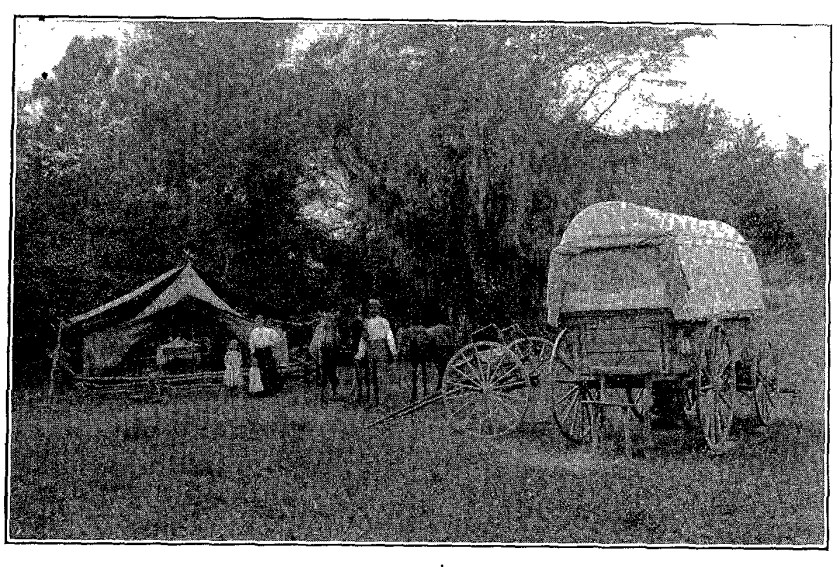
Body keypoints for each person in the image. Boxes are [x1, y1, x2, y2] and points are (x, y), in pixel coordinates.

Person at [355, 299, 396, 407]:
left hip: (381, 351)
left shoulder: (384, 321)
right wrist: (360, 354)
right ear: (368, 309)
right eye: (371, 308)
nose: (373, 310)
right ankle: (373, 401)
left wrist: (393, 351)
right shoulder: (366, 323)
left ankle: (383, 402)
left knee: (381, 376)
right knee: (371, 377)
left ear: (379, 309)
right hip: (370, 351)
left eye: (375, 308)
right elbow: (363, 340)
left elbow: (389, 336)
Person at [309, 312, 340, 401]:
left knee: (332, 373)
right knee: (323, 374)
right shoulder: (319, 328)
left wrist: (334, 345)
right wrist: (318, 355)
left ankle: (334, 391)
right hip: (323, 352)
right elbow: (316, 342)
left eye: (330, 319)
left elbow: (337, 340)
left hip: (331, 353)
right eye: (327, 319)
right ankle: (322, 394)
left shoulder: (334, 328)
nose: (328, 321)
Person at [249, 315, 282, 394]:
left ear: (263, 321)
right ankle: (261, 389)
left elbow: (278, 340)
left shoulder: (269, 331)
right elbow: (251, 344)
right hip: (258, 352)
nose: (259, 322)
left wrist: (270, 343)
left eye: (260, 320)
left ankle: (271, 388)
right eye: (257, 320)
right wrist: (252, 354)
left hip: (267, 350)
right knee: (260, 369)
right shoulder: (253, 332)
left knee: (270, 368)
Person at [350, 304, 369, 404]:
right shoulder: (355, 324)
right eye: (359, 313)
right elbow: (354, 337)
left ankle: (358, 394)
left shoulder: (366, 323)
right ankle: (357, 394)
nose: (360, 315)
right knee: (358, 374)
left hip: (365, 349)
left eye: (361, 313)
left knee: (364, 374)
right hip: (358, 349)